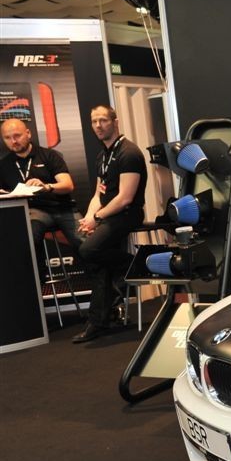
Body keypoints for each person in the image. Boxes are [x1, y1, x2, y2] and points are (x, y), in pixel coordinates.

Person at [73, 105, 148, 343]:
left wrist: (97, 218)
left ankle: (135, 264)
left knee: (89, 250)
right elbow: (99, 193)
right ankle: (99, 321)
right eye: (94, 121)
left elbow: (125, 198)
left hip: (127, 214)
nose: (98, 125)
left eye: (103, 120)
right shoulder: (103, 155)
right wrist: (89, 217)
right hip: (108, 215)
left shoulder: (129, 153)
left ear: (115, 122)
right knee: (97, 262)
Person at [0, 118, 83, 277]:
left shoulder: (49, 155)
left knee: (88, 244)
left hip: (63, 208)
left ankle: (102, 284)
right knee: (27, 238)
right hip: (34, 212)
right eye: (8, 138)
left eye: (17, 136)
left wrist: (47, 187)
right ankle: (39, 279)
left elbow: (68, 185)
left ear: (28, 133)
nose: (13, 141)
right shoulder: (4, 165)